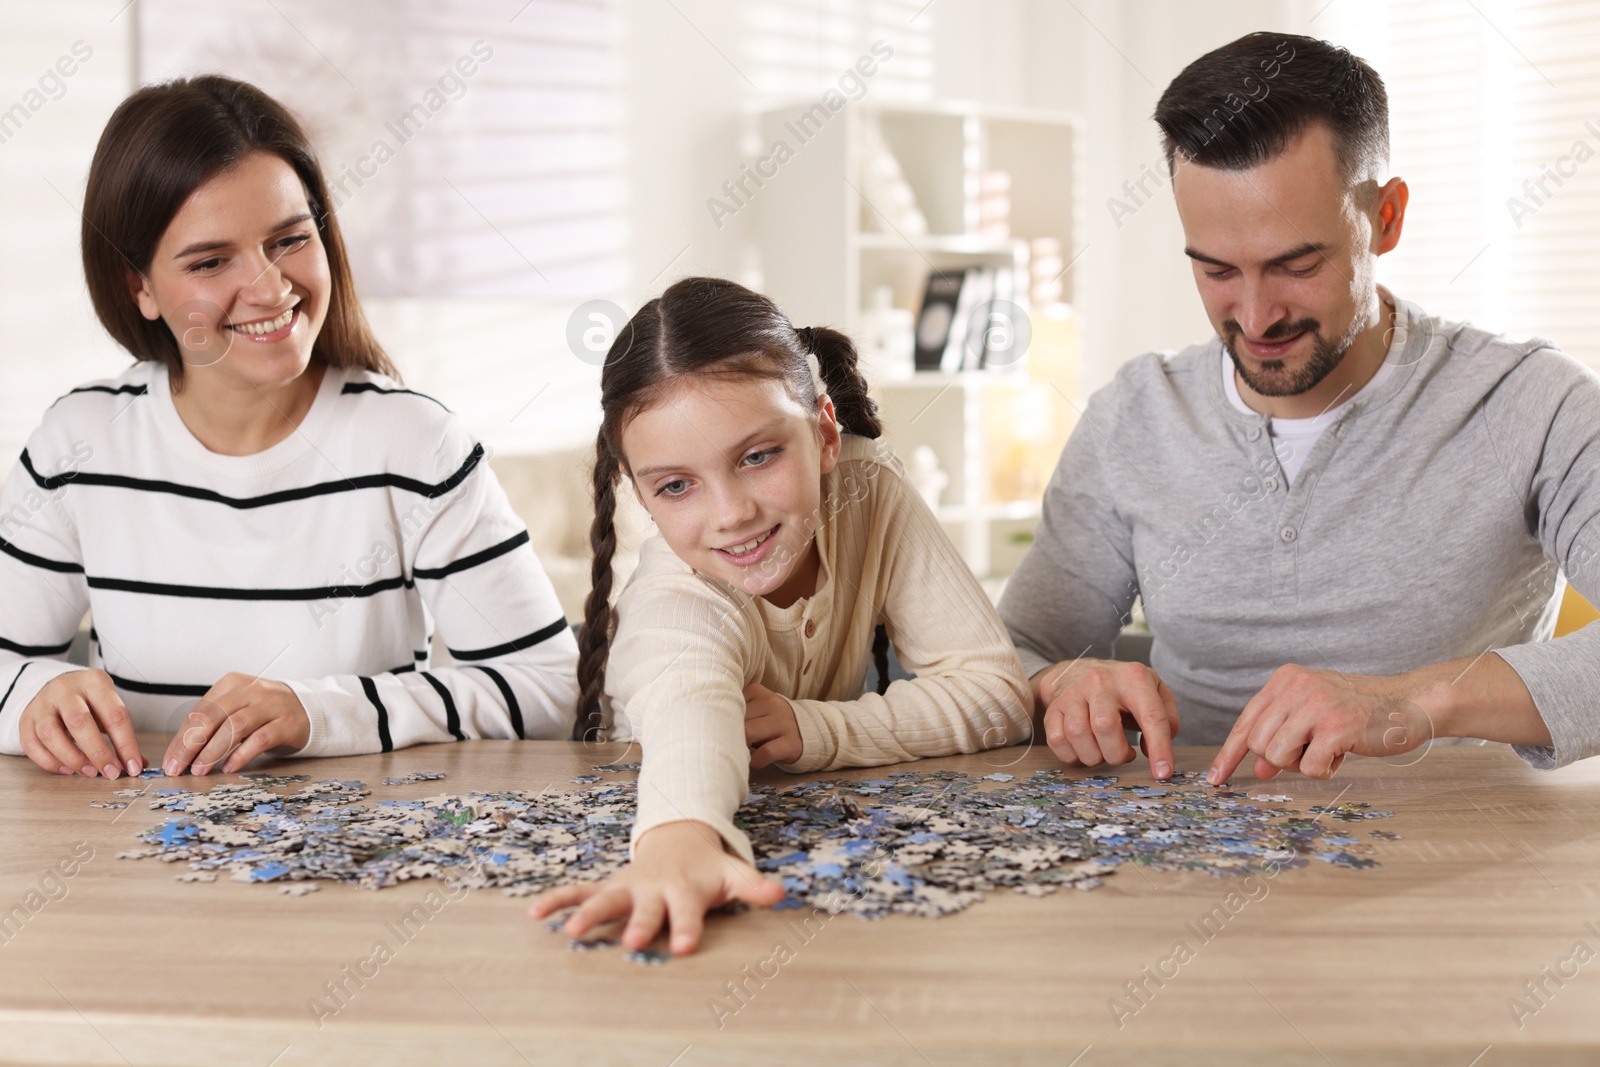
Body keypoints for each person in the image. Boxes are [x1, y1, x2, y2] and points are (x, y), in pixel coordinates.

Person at [1000, 31, 1600, 786]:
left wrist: (1415, 701)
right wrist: (1058, 682)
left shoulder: (1534, 403)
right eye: (1216, 269)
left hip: (1458, 864)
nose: (1254, 316)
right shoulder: (1133, 417)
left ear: (1385, 217)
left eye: (1297, 264)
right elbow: (1009, 650)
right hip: (1189, 856)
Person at [0, 76, 579, 780]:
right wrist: (33, 691)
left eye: (290, 239)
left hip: (358, 864)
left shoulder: (413, 442)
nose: (273, 289)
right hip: (133, 868)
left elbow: (552, 686)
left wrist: (322, 713)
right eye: (212, 261)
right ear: (140, 288)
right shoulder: (79, 443)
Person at [528, 277, 1032, 954]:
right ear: (640, 491)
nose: (732, 513)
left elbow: (996, 691)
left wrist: (813, 728)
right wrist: (679, 841)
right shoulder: (675, 596)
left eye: (758, 456)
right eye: (676, 485)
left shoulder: (869, 492)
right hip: (657, 828)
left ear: (824, 434)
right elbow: (689, 717)